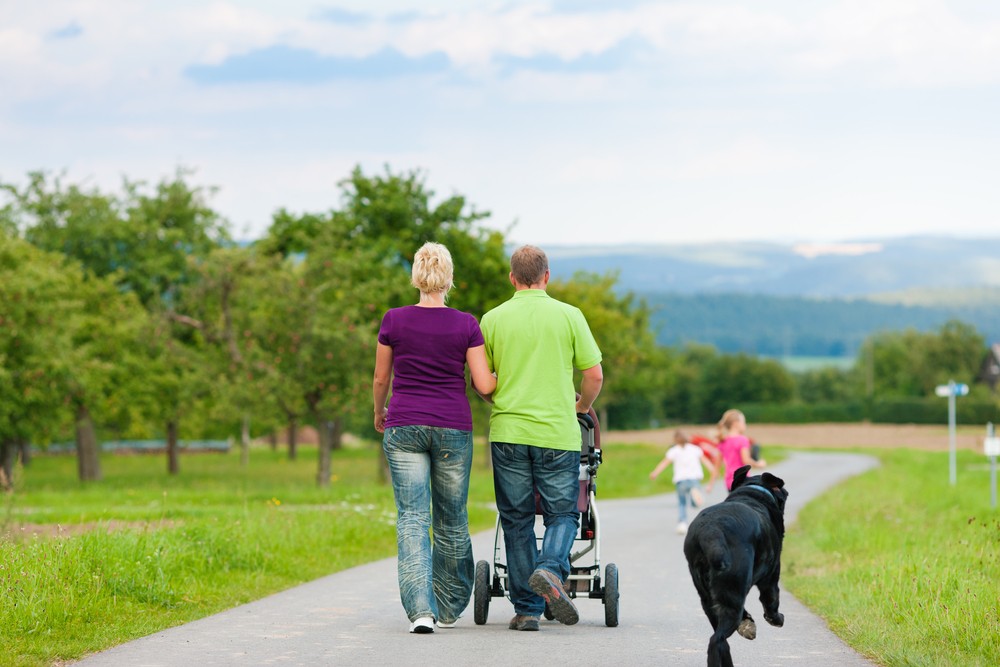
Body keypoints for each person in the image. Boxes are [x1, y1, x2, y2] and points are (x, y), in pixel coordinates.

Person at [373, 242, 497, 634]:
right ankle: (448, 606)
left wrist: (380, 411)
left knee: (412, 518)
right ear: (449, 277)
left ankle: (420, 612)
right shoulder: (466, 324)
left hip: (404, 424)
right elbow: (483, 384)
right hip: (452, 428)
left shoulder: (393, 320)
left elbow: (381, 379)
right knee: (452, 520)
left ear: (416, 275)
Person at [480, 244, 604, 632]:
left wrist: (497, 396)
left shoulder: (493, 319)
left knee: (516, 520)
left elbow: (483, 383)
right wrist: (581, 406)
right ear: (547, 276)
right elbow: (594, 374)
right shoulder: (570, 316)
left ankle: (528, 610)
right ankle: (551, 569)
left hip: (509, 433)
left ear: (512, 278)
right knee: (563, 513)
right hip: (557, 434)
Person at [649, 429, 719, 535]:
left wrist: (655, 473)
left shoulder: (673, 451)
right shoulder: (695, 449)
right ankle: (695, 498)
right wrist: (712, 473)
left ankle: (682, 523)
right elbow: (707, 463)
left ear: (675, 440)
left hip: (681, 480)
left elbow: (664, 463)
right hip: (694, 479)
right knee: (694, 503)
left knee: (682, 503)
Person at [716, 409, 767, 491]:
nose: (745, 425)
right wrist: (759, 464)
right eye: (743, 422)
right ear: (736, 424)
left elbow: (717, 463)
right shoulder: (742, 440)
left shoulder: (723, 441)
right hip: (743, 480)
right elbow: (746, 460)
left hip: (729, 482)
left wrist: (711, 484)